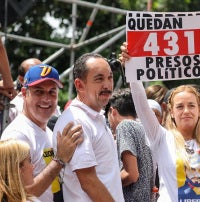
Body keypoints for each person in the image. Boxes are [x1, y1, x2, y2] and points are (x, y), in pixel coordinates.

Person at [121, 41, 200, 201]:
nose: (186, 111)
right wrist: (131, 67)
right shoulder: (161, 137)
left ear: (199, 110)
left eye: (191, 105)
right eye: (180, 107)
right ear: (171, 112)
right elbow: (142, 106)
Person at [1, 64, 83, 202]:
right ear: (24, 93)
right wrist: (60, 160)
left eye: (52, 92)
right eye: (39, 92)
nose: (46, 99)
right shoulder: (17, 135)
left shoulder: (47, 131)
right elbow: (18, 195)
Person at [53, 53, 124, 202]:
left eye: (110, 77)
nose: (107, 85)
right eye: (99, 79)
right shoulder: (76, 121)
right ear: (79, 85)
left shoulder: (93, 116)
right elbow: (88, 181)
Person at [107, 88, 154, 201]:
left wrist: (104, 184)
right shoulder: (142, 127)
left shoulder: (124, 126)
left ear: (113, 112)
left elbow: (131, 174)